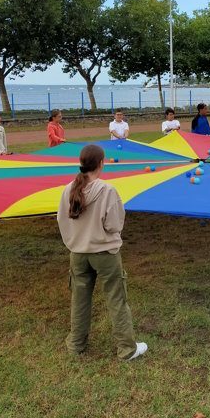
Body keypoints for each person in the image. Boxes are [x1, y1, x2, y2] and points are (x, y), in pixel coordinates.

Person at [57, 144, 147, 360]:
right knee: (117, 299)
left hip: (77, 254)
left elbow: (62, 220)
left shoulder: (68, 189)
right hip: (105, 255)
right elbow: (114, 225)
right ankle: (127, 348)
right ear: (101, 163)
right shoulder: (107, 191)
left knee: (79, 299)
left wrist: (75, 240)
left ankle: (76, 344)